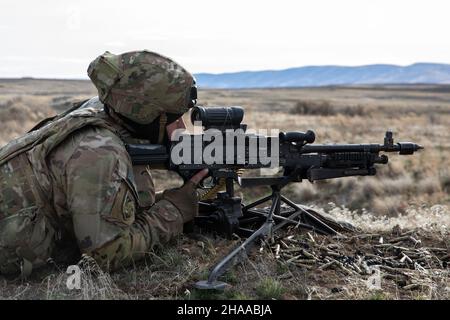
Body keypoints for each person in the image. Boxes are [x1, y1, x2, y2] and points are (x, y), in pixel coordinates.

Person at [0, 50, 208, 277]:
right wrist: (173, 211)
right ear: (146, 114)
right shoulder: (99, 150)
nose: (181, 129)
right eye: (173, 118)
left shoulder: (108, 111)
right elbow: (105, 255)